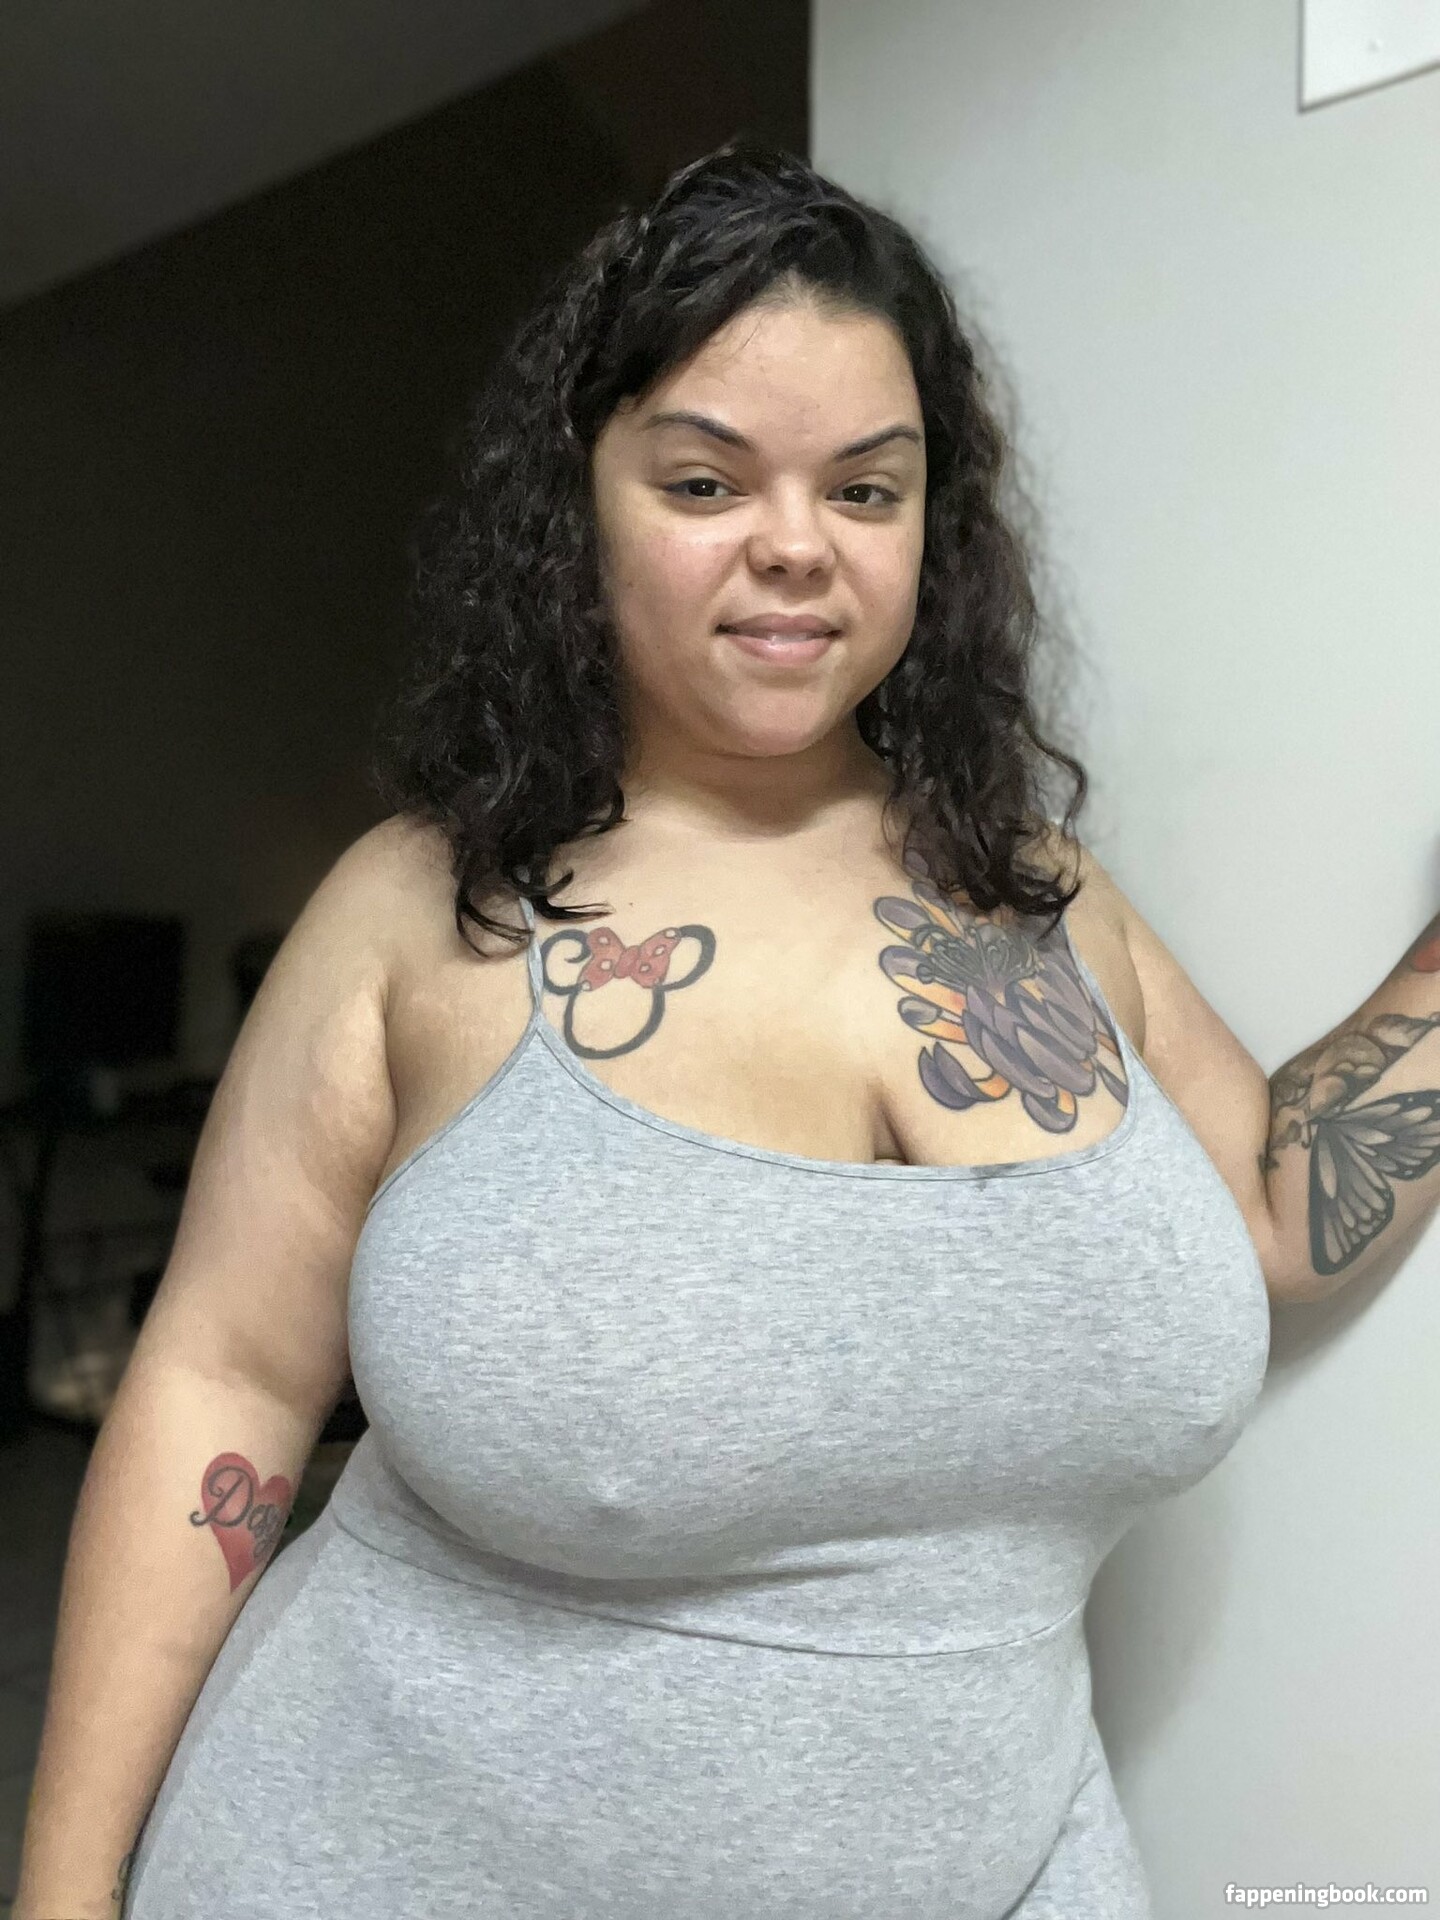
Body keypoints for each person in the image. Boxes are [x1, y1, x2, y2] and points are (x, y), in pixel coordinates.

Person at [18, 139, 1440, 1920]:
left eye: (866, 489)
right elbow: (220, 1385)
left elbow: (1273, 1209)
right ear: (581, 504)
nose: (794, 546)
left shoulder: (1040, 892)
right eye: (705, 481)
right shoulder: (421, 907)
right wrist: (61, 1893)